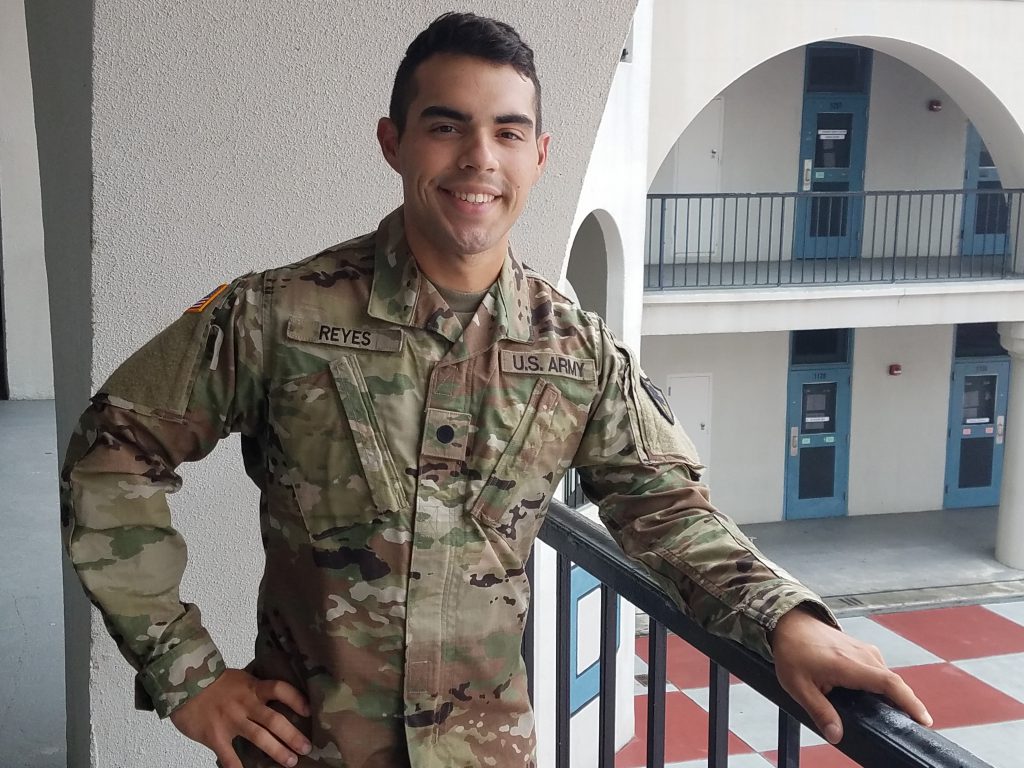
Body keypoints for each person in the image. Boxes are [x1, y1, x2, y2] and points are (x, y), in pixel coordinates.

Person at [61, 11, 932, 768]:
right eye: (447, 127)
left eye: (509, 132)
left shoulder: (576, 349)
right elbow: (111, 458)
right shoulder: (278, 317)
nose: (480, 158)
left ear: (541, 155)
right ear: (393, 141)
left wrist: (788, 622)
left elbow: (665, 507)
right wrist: (187, 676)